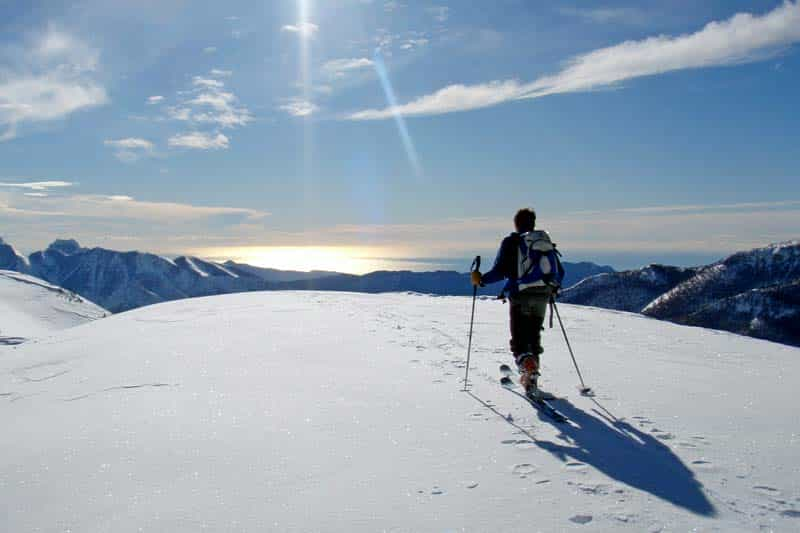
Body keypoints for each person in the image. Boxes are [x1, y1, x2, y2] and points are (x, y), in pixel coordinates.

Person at [470, 208, 563, 394]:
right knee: (534, 336)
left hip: (521, 296)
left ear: (516, 223)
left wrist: (480, 280)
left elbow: (500, 270)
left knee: (519, 340)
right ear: (533, 222)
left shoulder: (512, 242)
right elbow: (559, 271)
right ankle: (531, 377)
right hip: (543, 295)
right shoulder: (544, 242)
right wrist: (551, 289)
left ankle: (528, 368)